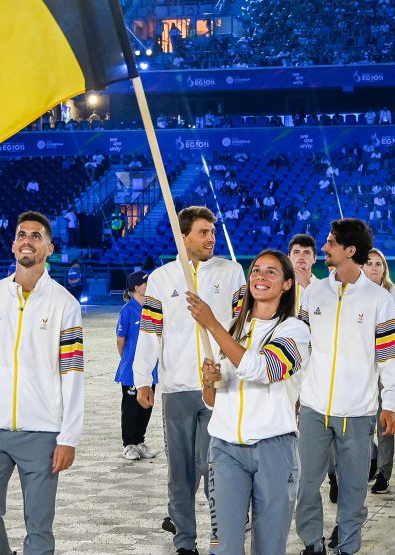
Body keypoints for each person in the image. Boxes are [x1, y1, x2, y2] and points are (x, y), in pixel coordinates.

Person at [0, 211, 84, 555]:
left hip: (41, 432)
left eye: (36, 236)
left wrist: (68, 437)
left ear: (49, 248)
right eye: (22, 234)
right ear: (13, 245)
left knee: (39, 528)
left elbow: (72, 375)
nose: (27, 240)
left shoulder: (64, 305)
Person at [132, 206, 246, 555]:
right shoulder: (162, 278)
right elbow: (150, 332)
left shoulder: (232, 272)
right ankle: (184, 542)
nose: (210, 238)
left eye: (212, 232)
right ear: (184, 237)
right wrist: (143, 378)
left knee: (216, 470)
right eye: (202, 232)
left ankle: (220, 538)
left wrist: (233, 369)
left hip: (221, 388)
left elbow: (243, 328)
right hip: (179, 389)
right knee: (180, 473)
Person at [189, 250, 310, 555]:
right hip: (225, 448)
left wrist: (212, 325)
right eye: (256, 270)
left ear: (286, 284)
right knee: (224, 547)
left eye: (271, 272)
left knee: (269, 547)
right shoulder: (234, 328)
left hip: (274, 448)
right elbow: (213, 401)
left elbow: (264, 369)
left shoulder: (295, 331)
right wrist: (210, 382)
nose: (261, 276)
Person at [295, 218, 395, 555]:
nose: (324, 248)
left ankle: (348, 545)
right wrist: (294, 394)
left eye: (330, 242)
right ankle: (313, 544)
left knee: (354, 489)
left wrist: (391, 404)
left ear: (350, 250)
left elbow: (391, 356)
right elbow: (299, 348)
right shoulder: (313, 292)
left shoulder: (378, 300)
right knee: (305, 485)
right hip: (313, 407)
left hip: (357, 412)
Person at [363, 248, 395, 495]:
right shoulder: (354, 293)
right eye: (369, 263)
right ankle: (372, 457)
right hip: (361, 370)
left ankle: (384, 473)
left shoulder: (394, 295)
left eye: (379, 263)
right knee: (361, 423)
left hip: (385, 368)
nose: (374, 267)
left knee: (384, 422)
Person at [116, 270, 158, 461]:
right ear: (137, 287)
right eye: (146, 283)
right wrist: (127, 361)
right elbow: (120, 340)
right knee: (131, 408)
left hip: (150, 368)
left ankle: (140, 440)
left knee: (146, 406)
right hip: (131, 370)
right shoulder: (127, 310)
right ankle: (129, 444)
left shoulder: (153, 308)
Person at [288, 233, 318, 310]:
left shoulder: (324, 287)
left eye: (306, 252)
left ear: (314, 258)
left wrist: (308, 286)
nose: (301, 257)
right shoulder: (279, 286)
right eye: (296, 252)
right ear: (288, 257)